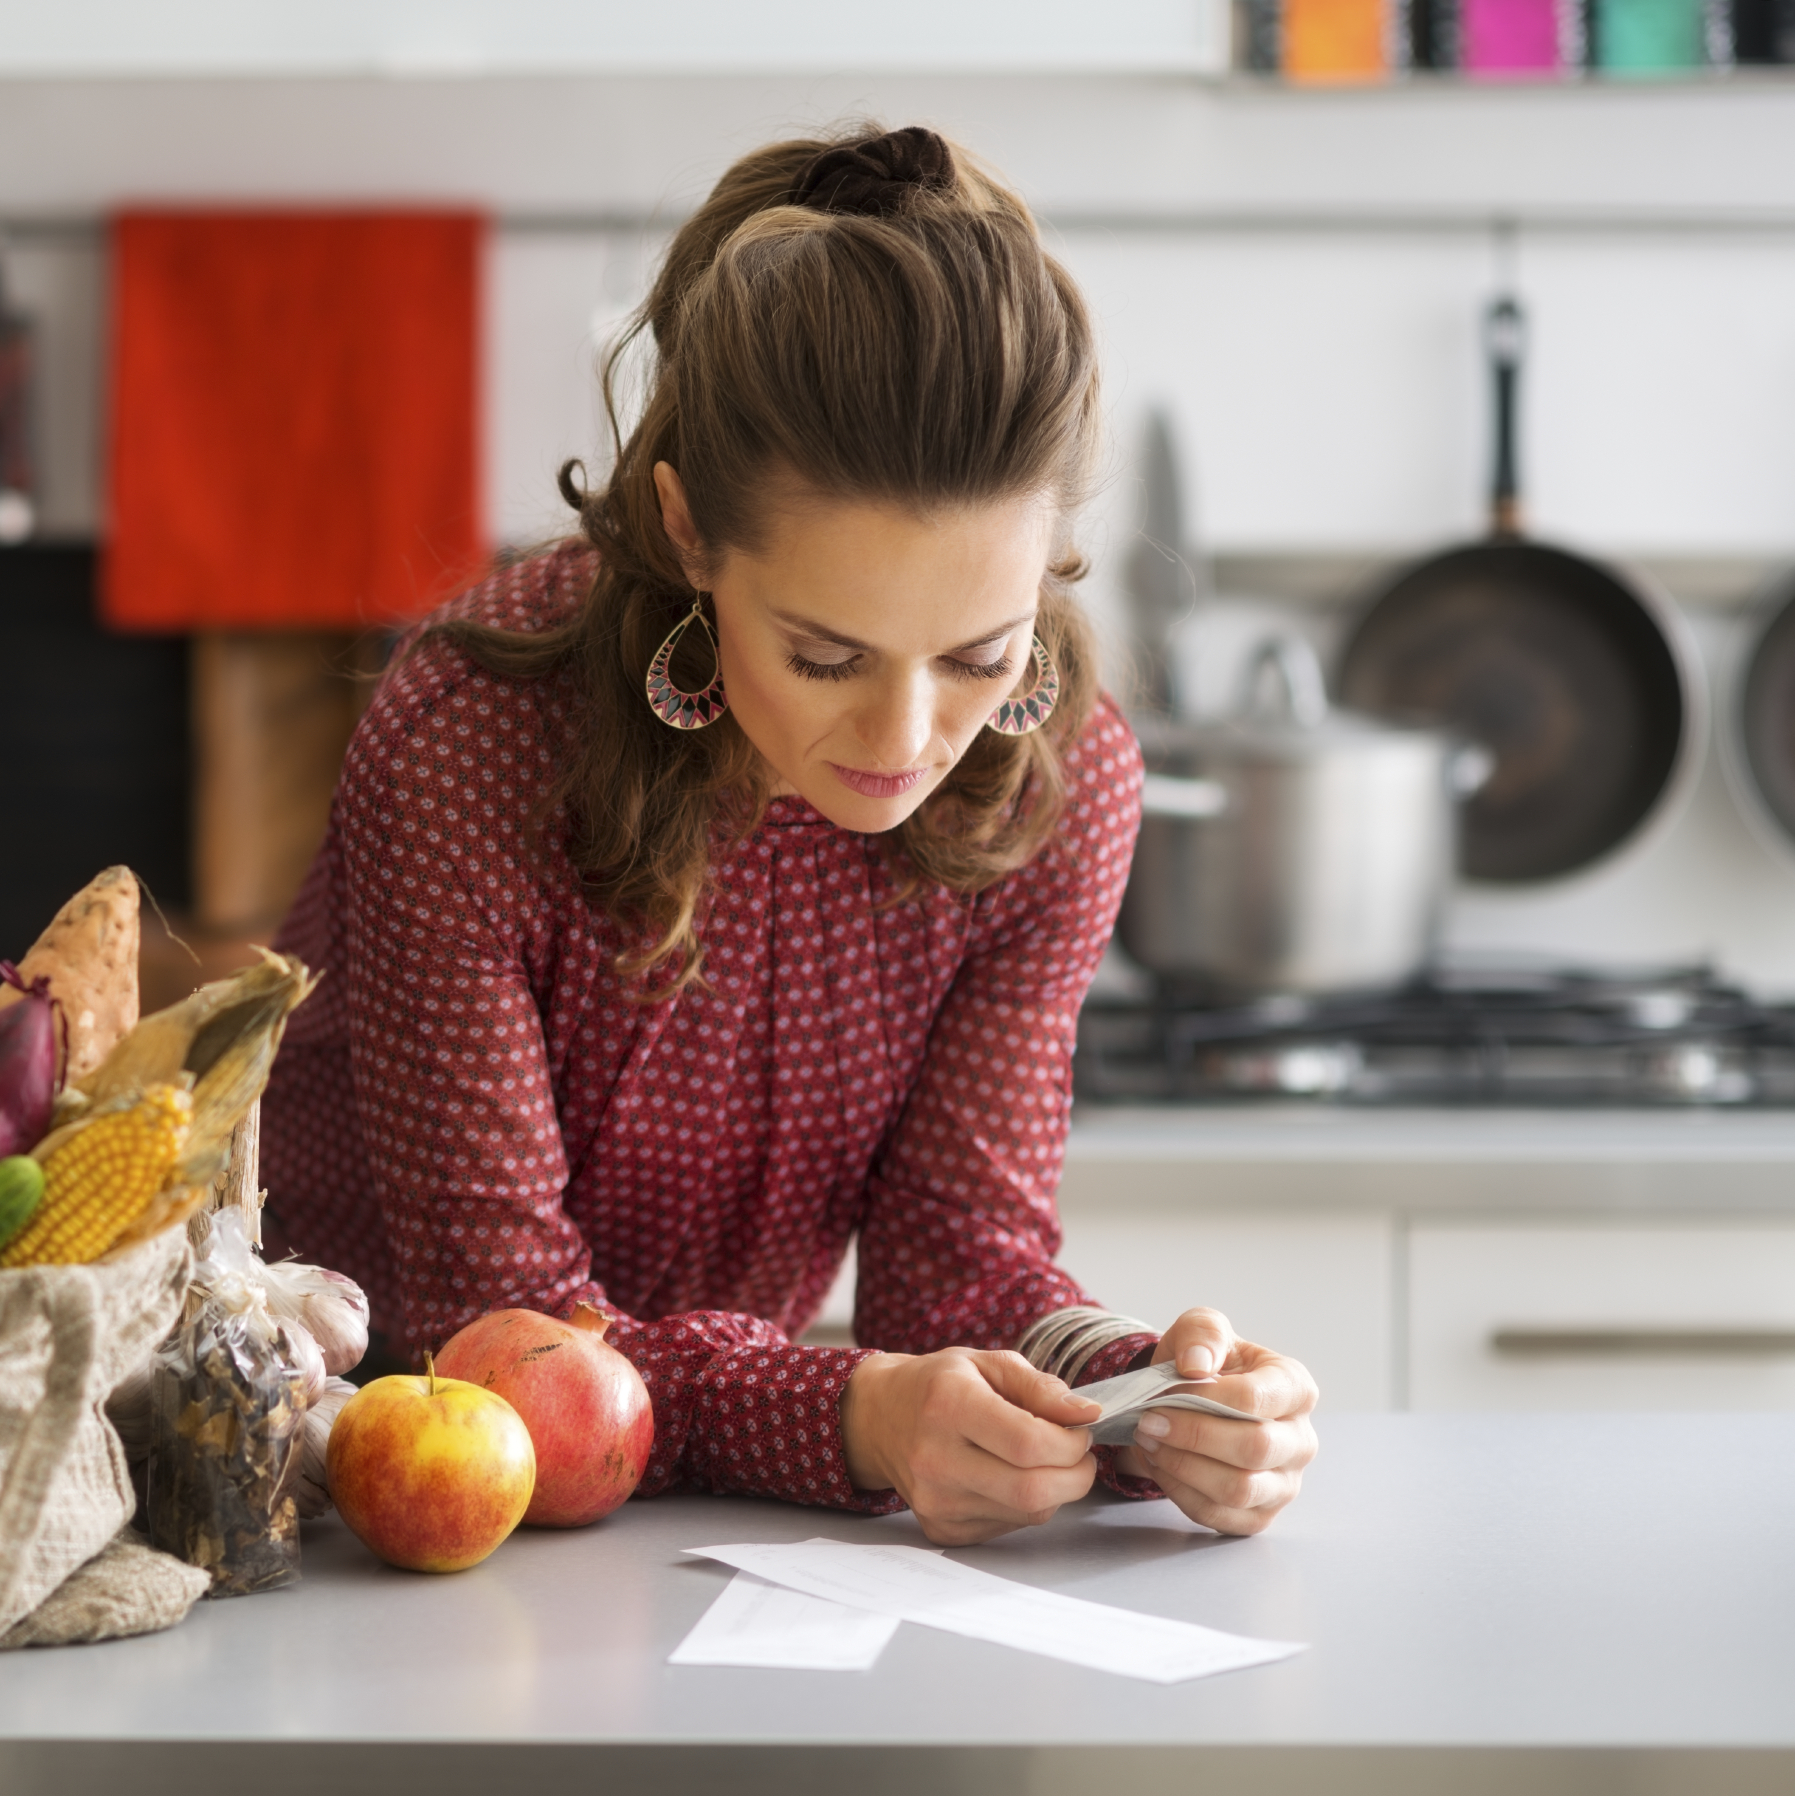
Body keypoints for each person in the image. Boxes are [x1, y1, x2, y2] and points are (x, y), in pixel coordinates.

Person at [259, 123, 1317, 1543]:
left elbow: (957, 1271)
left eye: (980, 654)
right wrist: (854, 1415)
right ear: (690, 530)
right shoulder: (470, 747)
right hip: (347, 1488)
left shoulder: (1060, 793)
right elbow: (501, 1341)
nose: (905, 745)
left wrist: (1138, 1398)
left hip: (703, 1523)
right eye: (826, 657)